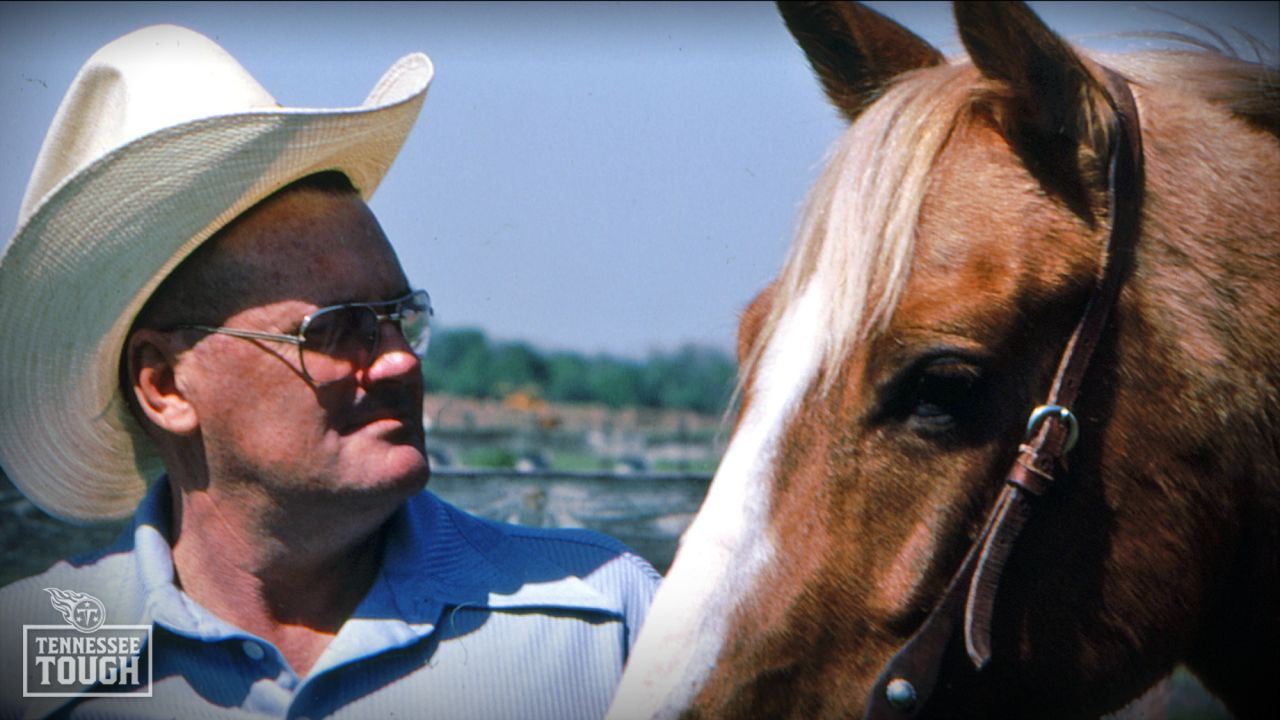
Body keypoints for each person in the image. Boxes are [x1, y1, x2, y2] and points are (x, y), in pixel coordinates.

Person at [0, 25, 659, 719]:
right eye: (335, 329)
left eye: (399, 316)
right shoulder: (27, 664)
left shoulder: (602, 627)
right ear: (164, 387)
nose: (401, 357)